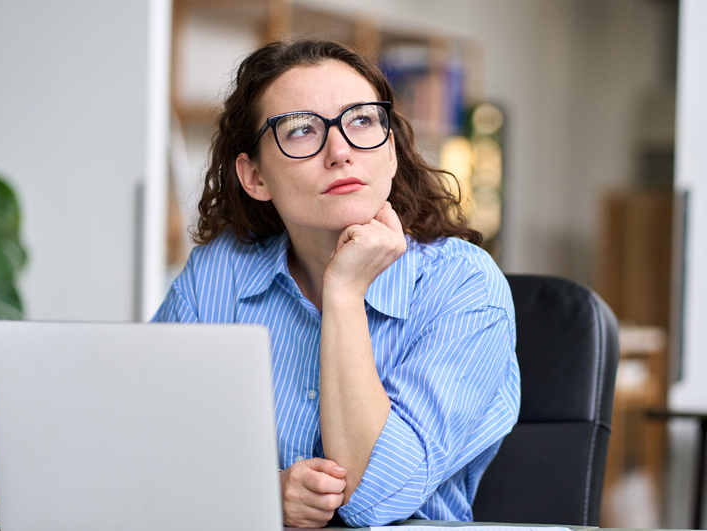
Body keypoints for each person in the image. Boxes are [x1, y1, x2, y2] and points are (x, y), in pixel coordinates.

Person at [153, 40, 520, 528]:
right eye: (301, 130)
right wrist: (262, 491)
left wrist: (344, 293)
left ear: (390, 151)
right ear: (255, 176)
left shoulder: (465, 286)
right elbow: (147, 449)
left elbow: (374, 499)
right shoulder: (217, 276)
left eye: (362, 121)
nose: (341, 151)